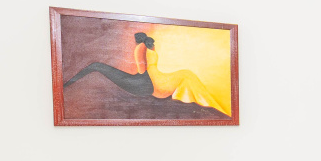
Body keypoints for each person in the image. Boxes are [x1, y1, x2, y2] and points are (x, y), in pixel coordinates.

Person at [64, 30, 222, 111]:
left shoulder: (141, 48)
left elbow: (142, 70)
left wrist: (143, 78)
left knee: (186, 74)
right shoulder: (148, 48)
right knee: (187, 74)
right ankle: (201, 100)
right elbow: (147, 67)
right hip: (154, 80)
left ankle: (196, 99)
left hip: (152, 81)